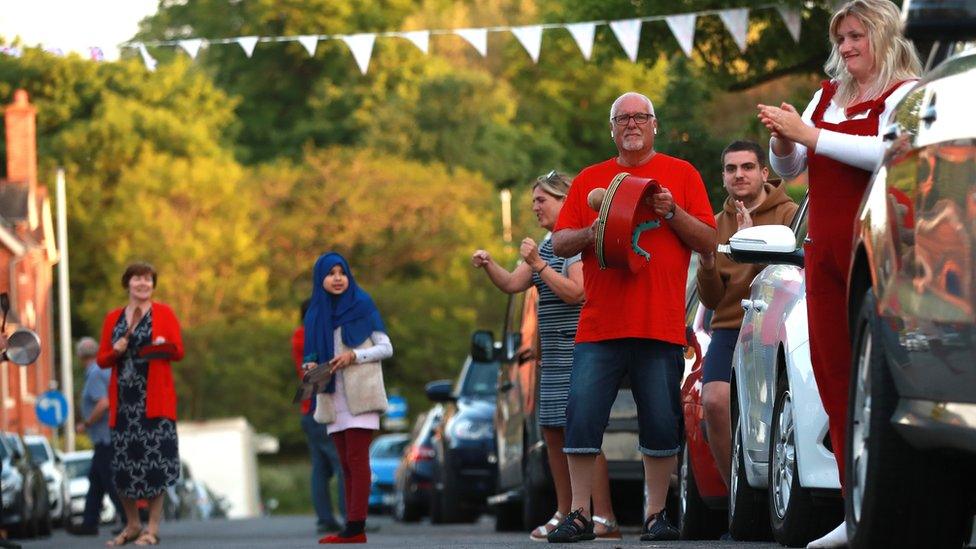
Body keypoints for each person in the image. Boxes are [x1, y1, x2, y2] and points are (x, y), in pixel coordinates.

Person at [757, 2, 920, 546]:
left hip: (874, 253)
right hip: (822, 251)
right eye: (842, 39)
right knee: (833, 377)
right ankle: (854, 513)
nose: (847, 48)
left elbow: (887, 153)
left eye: (857, 37)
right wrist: (783, 141)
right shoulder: (827, 94)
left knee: (876, 380)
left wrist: (807, 134)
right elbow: (788, 168)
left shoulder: (904, 92)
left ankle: (886, 510)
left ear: (883, 36)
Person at [548, 92, 717, 543]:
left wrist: (671, 211)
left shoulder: (681, 174)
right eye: (622, 118)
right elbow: (560, 242)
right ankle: (580, 514)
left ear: (654, 124)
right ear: (612, 128)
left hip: (659, 323)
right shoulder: (590, 179)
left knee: (661, 420)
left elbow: (708, 239)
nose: (631, 124)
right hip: (600, 323)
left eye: (640, 116)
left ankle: (655, 515)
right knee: (582, 416)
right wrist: (596, 227)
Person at [471, 171, 620, 541]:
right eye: (534, 200)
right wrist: (489, 263)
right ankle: (566, 511)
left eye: (542, 200)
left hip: (578, 348)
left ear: (563, 201)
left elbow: (577, 293)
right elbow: (511, 284)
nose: (535, 207)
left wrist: (539, 264)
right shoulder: (548, 243)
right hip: (550, 355)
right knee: (553, 434)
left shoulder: (571, 244)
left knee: (581, 436)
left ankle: (603, 517)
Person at [696, 141, 798, 494]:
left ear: (764, 172)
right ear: (723, 177)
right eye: (731, 169)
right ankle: (735, 499)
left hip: (773, 325)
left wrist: (749, 241)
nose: (739, 175)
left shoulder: (790, 214)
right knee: (713, 402)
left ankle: (774, 490)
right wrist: (708, 265)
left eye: (747, 167)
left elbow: (788, 278)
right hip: (729, 327)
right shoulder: (714, 223)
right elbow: (710, 299)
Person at [302, 252, 392, 544]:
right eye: (331, 273)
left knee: (357, 458)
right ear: (321, 278)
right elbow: (311, 354)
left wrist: (355, 355)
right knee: (345, 463)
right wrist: (310, 367)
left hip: (361, 395)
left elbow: (385, 347)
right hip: (331, 397)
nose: (338, 278)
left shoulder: (362, 303)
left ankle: (356, 527)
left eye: (342, 272)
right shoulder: (315, 313)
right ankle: (353, 527)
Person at [96, 262, 184, 547]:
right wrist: (115, 351)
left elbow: (178, 350)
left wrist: (159, 346)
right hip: (123, 403)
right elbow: (101, 360)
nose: (142, 284)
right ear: (128, 284)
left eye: (147, 279)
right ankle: (133, 524)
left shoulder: (165, 313)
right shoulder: (113, 318)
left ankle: (153, 528)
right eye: (137, 279)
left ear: (153, 285)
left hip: (154, 400)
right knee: (122, 466)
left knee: (155, 465)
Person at [293, 299, 346, 534]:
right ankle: (351, 515)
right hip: (319, 406)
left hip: (308, 406)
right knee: (342, 462)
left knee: (321, 467)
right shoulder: (307, 336)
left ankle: (326, 518)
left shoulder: (300, 335)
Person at [69, 337, 127, 537]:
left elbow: (103, 403)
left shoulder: (94, 373)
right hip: (109, 434)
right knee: (96, 479)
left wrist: (86, 423)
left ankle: (129, 520)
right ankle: (89, 522)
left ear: (79, 356)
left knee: (110, 480)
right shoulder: (104, 369)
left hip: (105, 436)